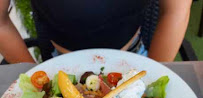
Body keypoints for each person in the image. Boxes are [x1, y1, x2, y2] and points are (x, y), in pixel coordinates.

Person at [0, 0, 192, 64]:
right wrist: (35, 79)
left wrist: (153, 76)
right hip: (60, 65)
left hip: (133, 57)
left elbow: (176, 10)